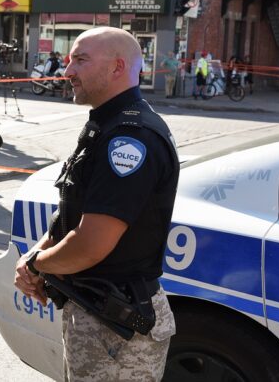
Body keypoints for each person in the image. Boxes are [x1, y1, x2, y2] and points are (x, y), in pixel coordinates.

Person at [14, 27, 178, 382]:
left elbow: (90, 245)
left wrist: (37, 266)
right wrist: (33, 259)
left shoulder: (130, 139)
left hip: (117, 332)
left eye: (81, 59)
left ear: (117, 67)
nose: (68, 70)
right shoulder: (105, 126)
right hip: (97, 319)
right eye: (71, 58)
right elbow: (71, 214)